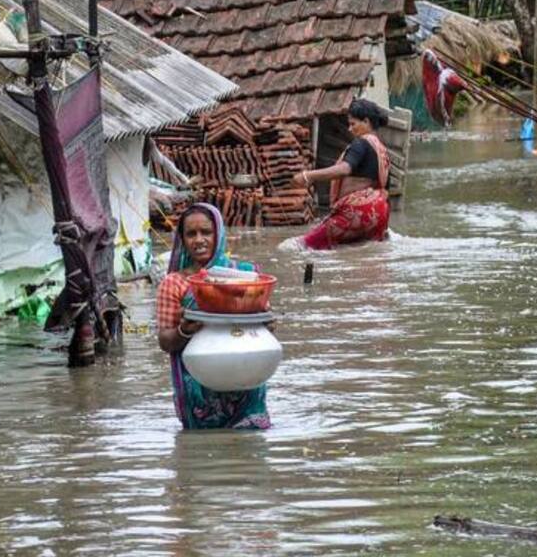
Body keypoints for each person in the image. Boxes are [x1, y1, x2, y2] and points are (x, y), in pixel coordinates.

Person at [156, 203, 271, 430]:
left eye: (206, 232)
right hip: (198, 390)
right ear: (182, 240)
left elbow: (265, 328)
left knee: (249, 454)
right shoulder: (173, 283)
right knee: (200, 454)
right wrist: (185, 330)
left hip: (246, 383)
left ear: (218, 235)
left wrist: (267, 321)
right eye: (191, 234)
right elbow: (165, 341)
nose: (199, 240)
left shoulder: (244, 276)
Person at [291, 99, 391, 249]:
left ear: (366, 121)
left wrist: (308, 176)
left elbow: (344, 169)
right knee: (362, 251)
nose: (350, 129)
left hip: (358, 212)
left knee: (300, 246)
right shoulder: (382, 150)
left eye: (353, 124)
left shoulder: (361, 144)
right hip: (380, 212)